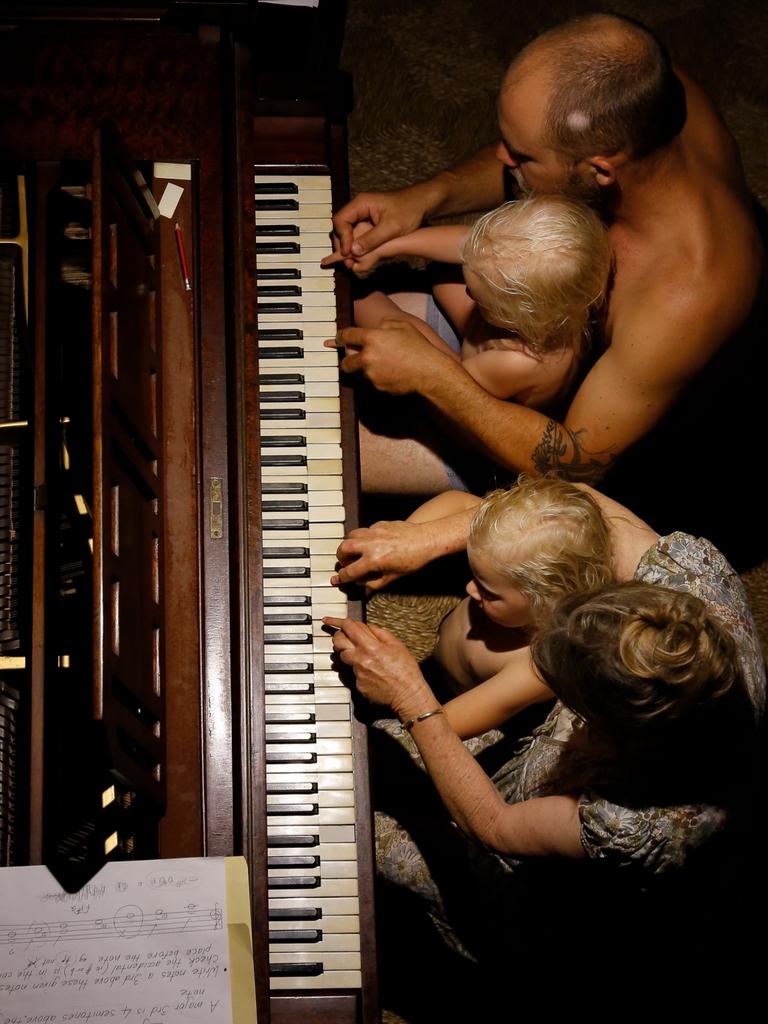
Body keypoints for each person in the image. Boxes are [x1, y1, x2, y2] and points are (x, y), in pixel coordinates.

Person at [328, 12, 767, 566]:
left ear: (600, 171)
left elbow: (570, 463)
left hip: (667, 452)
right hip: (587, 346)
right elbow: (536, 161)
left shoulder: (683, 294)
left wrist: (432, 375)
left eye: (522, 156)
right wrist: (427, 196)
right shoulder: (638, 89)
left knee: (310, 440)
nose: (501, 159)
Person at [324, 533, 765, 979]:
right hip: (540, 751)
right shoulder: (695, 574)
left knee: (343, 828)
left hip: (532, 890)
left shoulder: (636, 823)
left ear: (596, 719)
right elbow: (589, 506)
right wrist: (428, 542)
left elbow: (495, 826)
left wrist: (412, 698)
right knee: (364, 752)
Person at [325, 195, 611, 408]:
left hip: (467, 380)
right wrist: (385, 244)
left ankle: (357, 296)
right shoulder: (543, 300)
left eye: (482, 298)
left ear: (522, 318)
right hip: (483, 340)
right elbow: (465, 243)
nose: (469, 295)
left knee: (398, 326)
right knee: (446, 272)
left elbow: (449, 382)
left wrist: (376, 305)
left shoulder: (516, 363)